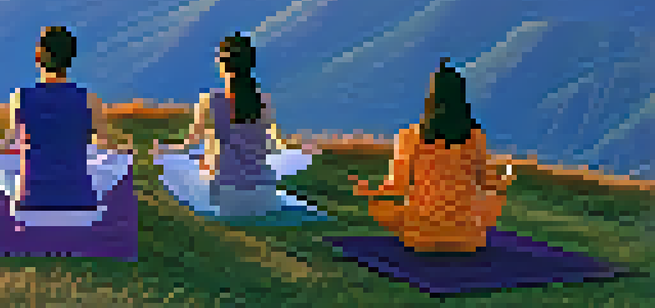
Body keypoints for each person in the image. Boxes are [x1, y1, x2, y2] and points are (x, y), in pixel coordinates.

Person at [350, 58, 515, 253]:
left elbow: (397, 186)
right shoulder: (476, 137)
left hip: (419, 236)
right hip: (468, 238)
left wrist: (369, 191)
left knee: (382, 205)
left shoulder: (410, 136)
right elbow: (489, 183)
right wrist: (506, 178)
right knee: (493, 197)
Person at [153, 32, 319, 217]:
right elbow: (271, 148)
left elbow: (189, 145)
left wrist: (163, 150)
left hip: (227, 198)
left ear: (223, 64)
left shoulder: (209, 101)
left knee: (173, 164)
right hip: (265, 196)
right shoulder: (262, 101)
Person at [0, 26, 133, 226]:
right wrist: (126, 149)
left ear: (38, 57)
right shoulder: (89, 99)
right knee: (115, 159)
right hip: (83, 210)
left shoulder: (20, 97)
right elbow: (104, 144)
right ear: (71, 58)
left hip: (28, 209)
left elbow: (7, 144)